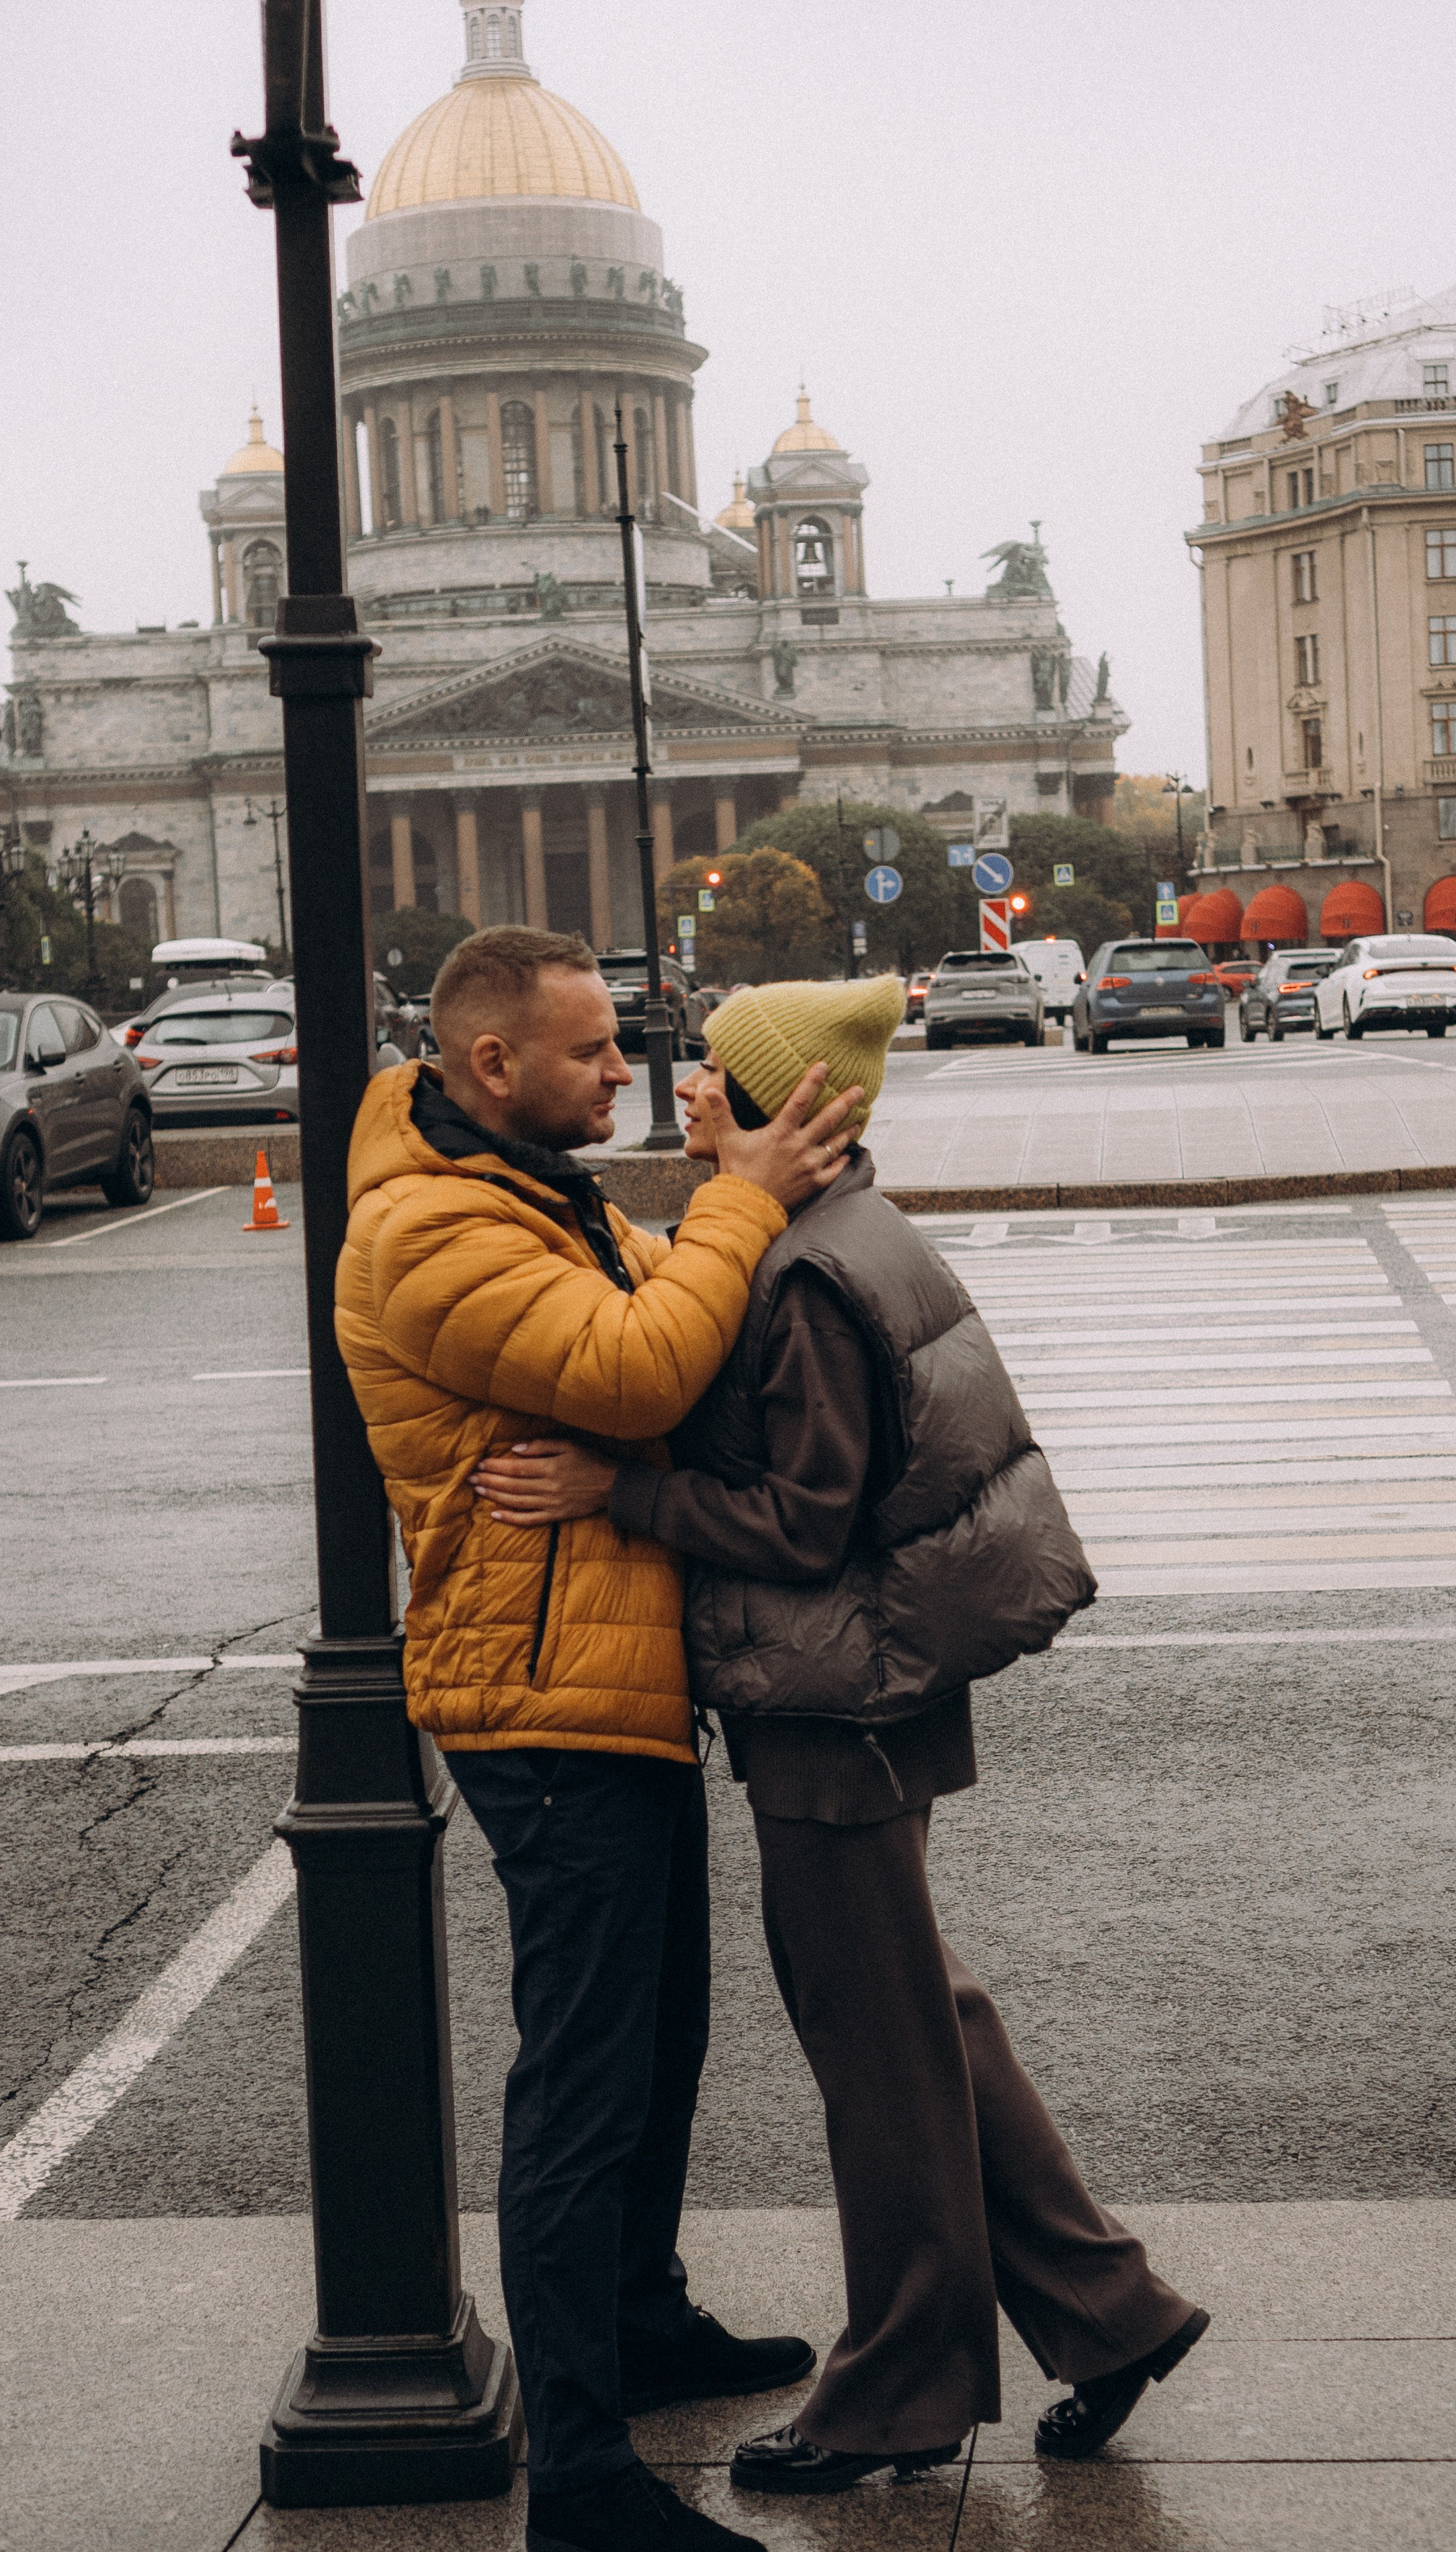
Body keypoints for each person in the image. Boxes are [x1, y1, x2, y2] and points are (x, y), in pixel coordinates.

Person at [474, 974, 1209, 2502]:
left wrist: (622, 1494)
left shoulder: (807, 1274)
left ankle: (895, 2397)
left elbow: (805, 1524)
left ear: (782, 1104)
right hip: (865, 1697)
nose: (682, 1087)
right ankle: (1106, 2310)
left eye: (712, 1073)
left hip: (835, 1704)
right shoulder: (835, 1231)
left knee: (879, 2061)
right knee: (925, 2019)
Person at [335, 927, 865, 2552]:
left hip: (607, 1672)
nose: (624, 1069)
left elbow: (675, 1340)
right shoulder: (429, 1226)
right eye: (592, 1050)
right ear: (493, 1063)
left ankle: (638, 2322)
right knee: (580, 2083)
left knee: (655, 2042)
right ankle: (578, 2472)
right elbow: (639, 1370)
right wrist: (739, 1203)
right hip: (540, 1695)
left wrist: (722, 1195)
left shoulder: (531, 1191)